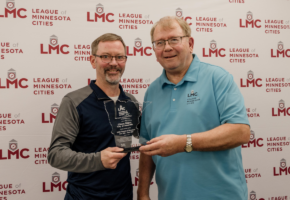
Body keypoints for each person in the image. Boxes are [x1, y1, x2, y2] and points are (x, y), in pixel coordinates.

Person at [138, 16, 250, 200]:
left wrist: (183, 143)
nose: (167, 47)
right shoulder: (152, 91)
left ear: (190, 43)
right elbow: (147, 147)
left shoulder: (218, 78)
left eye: (174, 39)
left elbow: (240, 132)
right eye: (160, 42)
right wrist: (142, 193)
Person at [48, 33, 138, 200]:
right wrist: (98, 159)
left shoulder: (130, 101)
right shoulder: (73, 101)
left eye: (119, 57)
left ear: (125, 60)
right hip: (84, 196)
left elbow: (147, 134)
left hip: (123, 195)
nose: (113, 63)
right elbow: (56, 154)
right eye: (106, 56)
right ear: (92, 60)